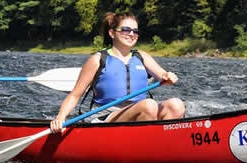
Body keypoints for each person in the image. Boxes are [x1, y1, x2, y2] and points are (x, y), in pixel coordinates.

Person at [50, 12, 185, 133]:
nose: (132, 34)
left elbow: (163, 76)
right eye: (126, 30)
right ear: (112, 33)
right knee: (149, 105)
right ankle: (148, 147)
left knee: (176, 105)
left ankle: (160, 145)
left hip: (142, 111)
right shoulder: (98, 59)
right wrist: (60, 118)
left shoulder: (141, 57)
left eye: (135, 31)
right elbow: (75, 95)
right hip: (106, 116)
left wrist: (169, 77)